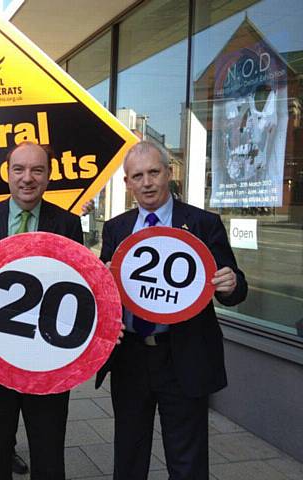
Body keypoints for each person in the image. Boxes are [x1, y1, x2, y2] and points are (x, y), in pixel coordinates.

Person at [96, 140, 247, 479]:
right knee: (129, 452)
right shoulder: (116, 228)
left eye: (153, 172)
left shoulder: (203, 223)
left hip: (183, 357)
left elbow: (232, 287)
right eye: (138, 176)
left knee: (187, 457)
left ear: (169, 173)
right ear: (127, 183)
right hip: (131, 358)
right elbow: (107, 298)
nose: (147, 183)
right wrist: (102, 282)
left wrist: (232, 283)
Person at [0, 141, 83, 480]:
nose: (28, 178)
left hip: (49, 365)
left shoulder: (68, 224)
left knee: (49, 456)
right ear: (7, 173)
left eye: (37, 170)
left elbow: (79, 294)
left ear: (49, 175)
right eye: (19, 169)